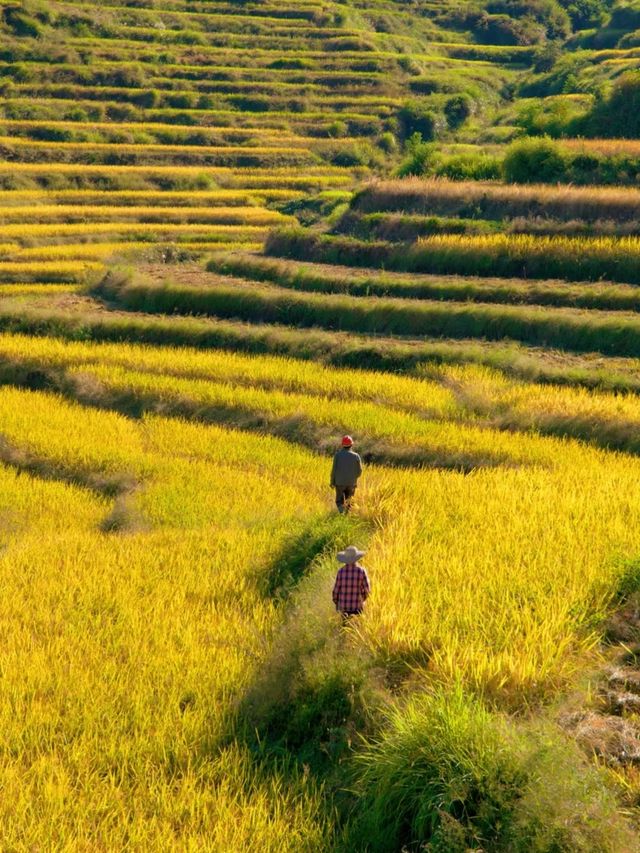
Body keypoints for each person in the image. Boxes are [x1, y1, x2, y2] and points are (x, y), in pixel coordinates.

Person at [332, 545, 370, 618]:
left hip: (344, 608)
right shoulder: (361, 571)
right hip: (358, 608)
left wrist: (337, 603)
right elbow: (367, 590)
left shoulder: (341, 572)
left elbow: (335, 592)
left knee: (345, 627)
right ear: (356, 558)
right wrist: (362, 600)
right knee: (356, 627)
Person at [330, 435, 362, 514]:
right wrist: (354, 478)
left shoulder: (337, 455)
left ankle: (342, 514)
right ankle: (347, 515)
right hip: (352, 483)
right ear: (351, 445)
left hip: (339, 483)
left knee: (339, 501)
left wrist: (332, 482)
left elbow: (334, 470)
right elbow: (360, 471)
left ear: (342, 445)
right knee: (349, 501)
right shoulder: (356, 456)